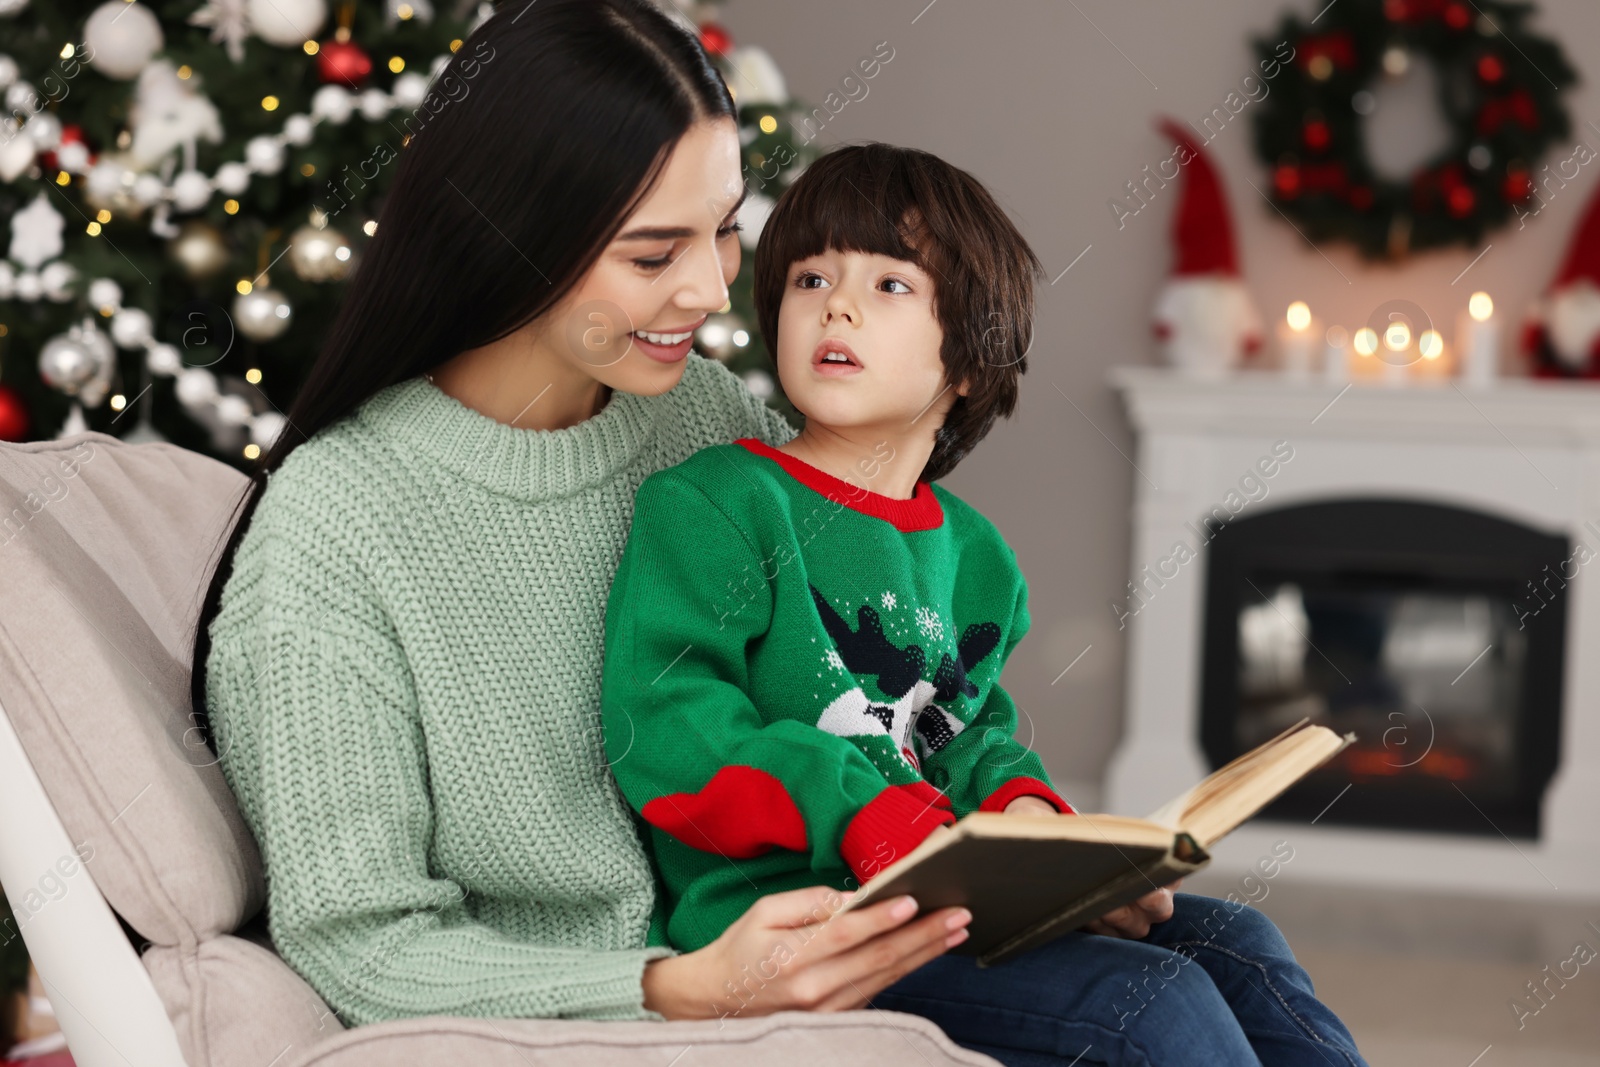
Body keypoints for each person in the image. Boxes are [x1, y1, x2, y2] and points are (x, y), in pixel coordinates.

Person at [190, 1, 1369, 1063]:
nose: (712, 294)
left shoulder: (696, 415)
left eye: (722, 234)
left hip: (854, 898)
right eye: (655, 253)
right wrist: (668, 985)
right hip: (671, 967)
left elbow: (876, 650)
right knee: (1146, 1018)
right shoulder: (336, 531)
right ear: (509, 239)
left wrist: (1035, 844)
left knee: (1239, 952)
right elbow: (359, 938)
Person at [599, 142, 1080, 957]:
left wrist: (1023, 809)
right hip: (794, 929)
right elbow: (667, 726)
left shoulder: (980, 559)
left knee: (1235, 944)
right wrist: (857, 810)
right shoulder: (716, 502)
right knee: (1147, 1007)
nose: (836, 308)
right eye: (811, 279)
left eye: (890, 284)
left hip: (948, 901)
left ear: (969, 355)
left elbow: (964, 737)